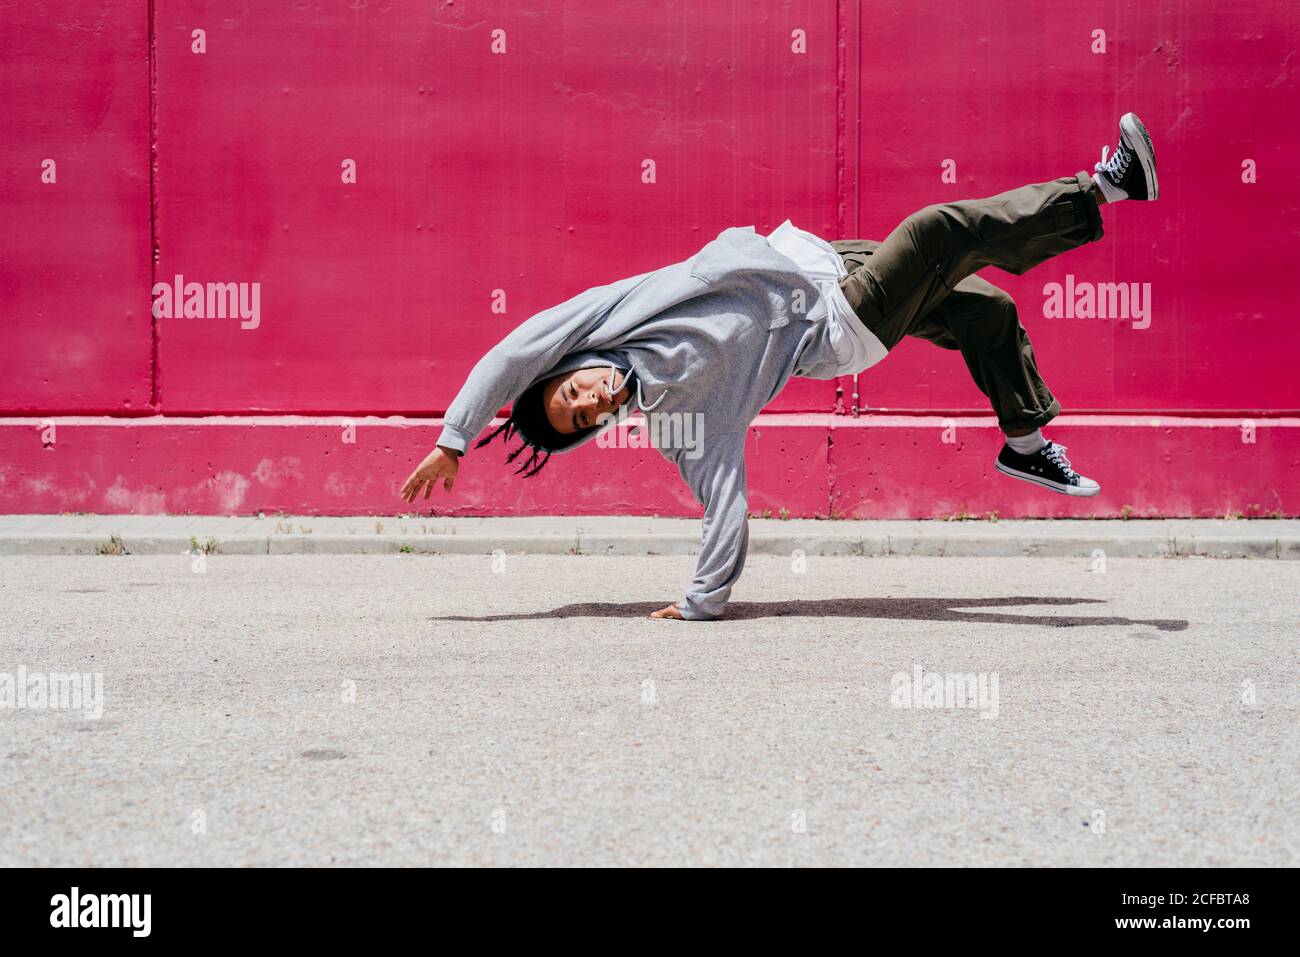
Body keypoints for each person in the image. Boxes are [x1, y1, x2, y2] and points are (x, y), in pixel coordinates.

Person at [401, 113, 1160, 621]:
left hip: (826, 264)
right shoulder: (680, 421)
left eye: (571, 392)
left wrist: (456, 435)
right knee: (937, 230)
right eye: (583, 419)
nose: (589, 400)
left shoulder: (607, 317)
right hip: (835, 324)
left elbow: (517, 347)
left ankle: (1025, 446)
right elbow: (724, 504)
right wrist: (702, 600)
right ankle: (1107, 187)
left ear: (572, 370)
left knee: (985, 311)